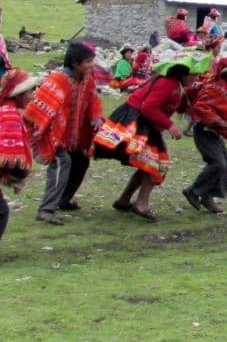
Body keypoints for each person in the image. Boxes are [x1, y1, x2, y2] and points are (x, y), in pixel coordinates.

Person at [93, 57, 197, 221]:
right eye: (193, 74)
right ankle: (141, 203)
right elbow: (148, 107)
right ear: (183, 73)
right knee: (155, 162)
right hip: (139, 120)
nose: (195, 78)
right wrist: (169, 125)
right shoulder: (168, 83)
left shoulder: (176, 85)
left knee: (146, 163)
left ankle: (124, 199)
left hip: (145, 121)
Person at [23, 43, 103, 225]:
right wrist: (47, 132)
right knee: (62, 162)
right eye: (88, 61)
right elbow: (38, 110)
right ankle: (46, 209)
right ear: (75, 63)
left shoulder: (88, 81)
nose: (92, 65)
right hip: (54, 136)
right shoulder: (56, 80)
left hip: (73, 136)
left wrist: (96, 121)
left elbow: (93, 103)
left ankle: (63, 199)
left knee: (82, 161)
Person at [182, 54, 227, 215]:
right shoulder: (215, 88)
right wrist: (216, 121)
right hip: (204, 131)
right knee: (218, 163)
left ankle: (208, 196)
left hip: (214, 133)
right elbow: (201, 107)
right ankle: (194, 190)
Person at [0, 69, 39, 244]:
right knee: (1, 211)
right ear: (18, 94)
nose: (32, 96)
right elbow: (8, 155)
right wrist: (19, 174)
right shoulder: (10, 115)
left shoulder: (6, 110)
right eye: (30, 91)